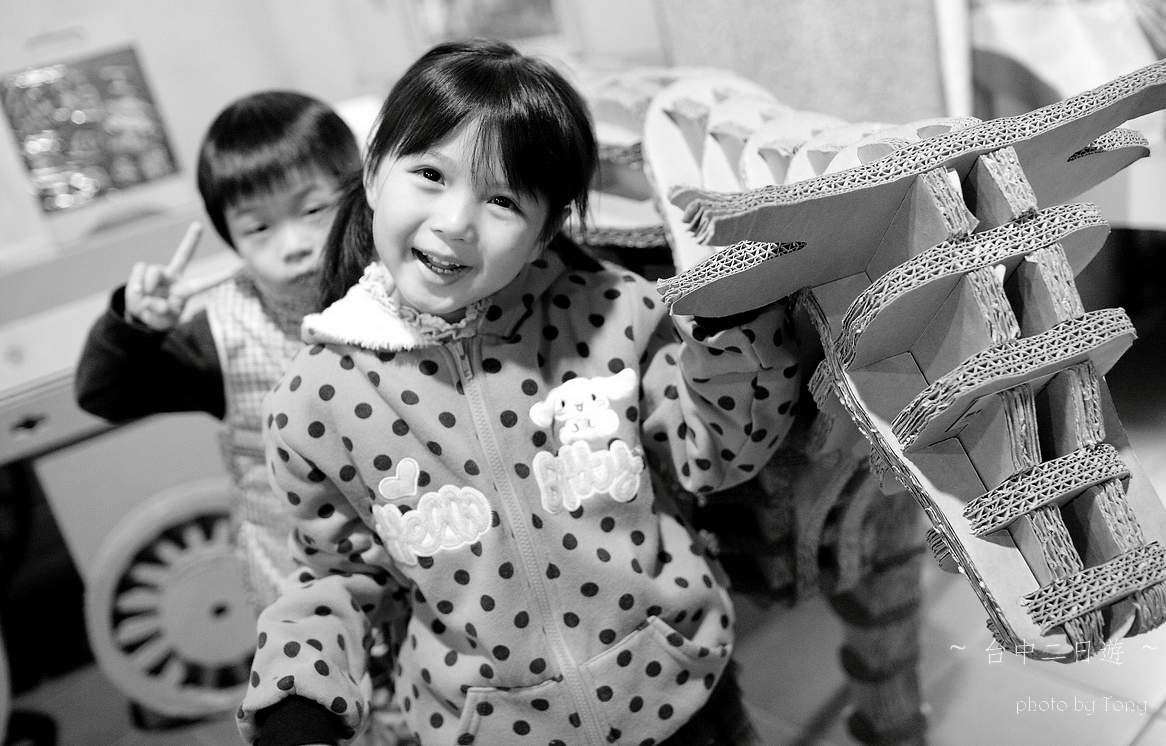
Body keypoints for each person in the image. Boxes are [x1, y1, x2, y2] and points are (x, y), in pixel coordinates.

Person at [236, 38, 802, 746]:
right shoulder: (312, 401)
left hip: (681, 694)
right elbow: (335, 581)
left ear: (544, 233)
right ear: (375, 174)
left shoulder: (614, 312)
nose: (455, 222)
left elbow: (714, 453)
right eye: (430, 174)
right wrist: (298, 698)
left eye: (502, 200)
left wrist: (738, 331)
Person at [74, 90, 361, 609]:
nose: (294, 244)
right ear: (232, 239)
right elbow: (104, 394)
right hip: (304, 593)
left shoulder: (405, 290)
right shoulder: (220, 333)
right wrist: (135, 328)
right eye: (258, 228)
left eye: (313, 209)